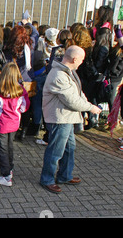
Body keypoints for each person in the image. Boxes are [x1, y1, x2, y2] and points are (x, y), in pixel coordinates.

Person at [40, 46, 102, 194]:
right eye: (81, 60)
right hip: (59, 119)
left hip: (66, 117)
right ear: (74, 59)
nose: (81, 62)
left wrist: (87, 104)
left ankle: (64, 175)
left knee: (69, 148)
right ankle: (47, 179)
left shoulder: (68, 72)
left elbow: (78, 93)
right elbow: (71, 100)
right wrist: (90, 107)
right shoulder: (58, 75)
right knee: (55, 151)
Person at [0, 62, 30, 186]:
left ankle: (6, 176)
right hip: (14, 123)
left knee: (1, 149)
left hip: (1, 124)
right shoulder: (21, 90)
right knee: (9, 146)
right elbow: (24, 107)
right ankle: (10, 168)